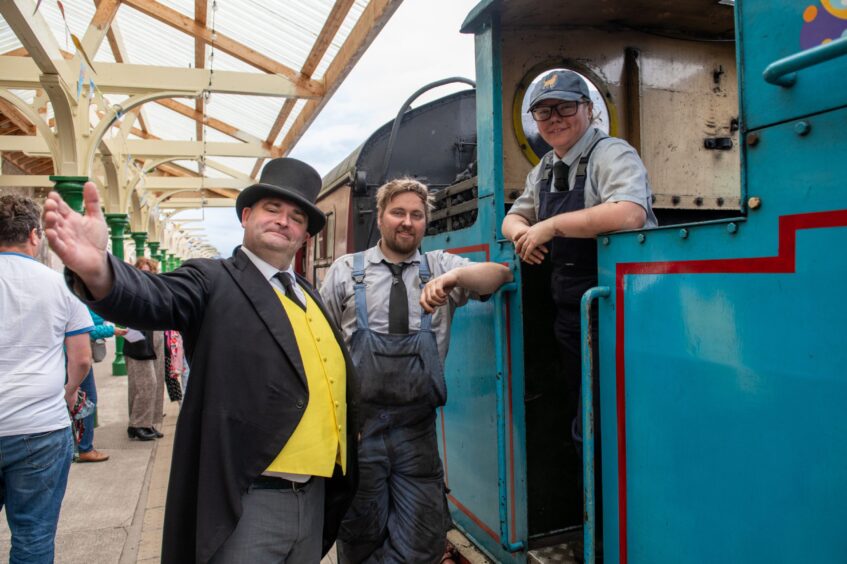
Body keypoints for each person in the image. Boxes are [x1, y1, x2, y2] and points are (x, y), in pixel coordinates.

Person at [42, 157, 358, 564]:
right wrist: (101, 271)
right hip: (248, 500)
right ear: (246, 215)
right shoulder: (212, 280)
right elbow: (155, 297)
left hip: (313, 498)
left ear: (305, 235)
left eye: (297, 217)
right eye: (272, 209)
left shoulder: (310, 295)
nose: (284, 221)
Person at [500, 69, 658, 549]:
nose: (555, 118)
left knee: (612, 423)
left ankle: (617, 533)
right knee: (582, 419)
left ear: (588, 109)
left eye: (566, 107)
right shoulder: (546, 167)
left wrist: (550, 228)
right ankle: (597, 529)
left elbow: (629, 212)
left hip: (622, 314)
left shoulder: (612, 153)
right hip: (572, 315)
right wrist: (520, 236)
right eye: (544, 111)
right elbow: (515, 215)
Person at [320, 177, 513, 564]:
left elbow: (501, 274)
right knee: (359, 535)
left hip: (417, 433)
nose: (407, 222)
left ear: (425, 223)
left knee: (422, 541)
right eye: (398, 213)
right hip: (361, 433)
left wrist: (454, 277)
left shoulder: (440, 266)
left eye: (416, 215)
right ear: (380, 217)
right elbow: (322, 349)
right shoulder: (344, 271)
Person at [0, 194, 94, 563]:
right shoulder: (61, 285)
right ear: (35, 235)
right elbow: (82, 359)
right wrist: (69, 393)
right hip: (40, 425)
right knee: (33, 535)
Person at [123, 257, 165, 442]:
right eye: (141, 271)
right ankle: (139, 423)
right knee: (146, 383)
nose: (144, 275)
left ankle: (147, 422)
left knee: (157, 381)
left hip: (155, 336)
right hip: (138, 339)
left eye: (148, 271)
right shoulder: (129, 290)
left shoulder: (155, 290)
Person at [76, 308, 127, 461]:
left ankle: (77, 447)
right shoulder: (73, 297)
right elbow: (85, 329)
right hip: (75, 356)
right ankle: (85, 448)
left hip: (68, 357)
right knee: (88, 400)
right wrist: (111, 330)